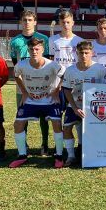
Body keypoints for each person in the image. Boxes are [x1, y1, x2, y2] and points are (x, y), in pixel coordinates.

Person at [11, 38, 65, 168]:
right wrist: (24, 91)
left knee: (57, 123)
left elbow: (64, 75)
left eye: (37, 49)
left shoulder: (52, 64)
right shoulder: (22, 64)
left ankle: (59, 155)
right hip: (30, 100)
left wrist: (57, 90)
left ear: (42, 50)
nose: (34, 52)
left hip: (49, 100)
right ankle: (22, 155)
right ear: (28, 50)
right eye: (31, 49)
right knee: (18, 124)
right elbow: (16, 75)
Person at [9, 10, 51, 155]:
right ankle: (24, 144)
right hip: (22, 86)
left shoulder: (44, 38)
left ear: (35, 22)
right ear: (21, 22)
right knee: (22, 115)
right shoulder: (14, 41)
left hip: (41, 84)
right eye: (24, 20)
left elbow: (47, 63)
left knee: (44, 116)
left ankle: (45, 144)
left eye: (30, 20)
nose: (27, 22)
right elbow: (16, 66)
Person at [62, 41, 106, 166]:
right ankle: (71, 156)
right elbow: (66, 90)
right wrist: (75, 108)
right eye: (81, 53)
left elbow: (105, 90)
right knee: (66, 128)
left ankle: (96, 153)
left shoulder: (100, 69)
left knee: (97, 130)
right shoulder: (70, 70)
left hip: (94, 107)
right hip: (75, 105)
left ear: (92, 53)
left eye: (87, 53)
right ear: (77, 53)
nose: (84, 55)